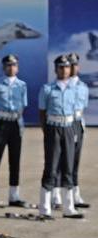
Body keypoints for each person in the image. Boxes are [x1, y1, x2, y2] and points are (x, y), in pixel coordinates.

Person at [37, 55, 83, 219]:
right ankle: (45, 208)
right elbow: (42, 113)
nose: (64, 70)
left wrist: (73, 132)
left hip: (69, 127)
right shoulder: (48, 89)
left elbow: (77, 112)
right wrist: (47, 131)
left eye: (67, 67)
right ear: (56, 69)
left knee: (68, 166)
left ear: (71, 69)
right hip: (53, 128)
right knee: (51, 167)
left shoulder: (75, 90)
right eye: (61, 67)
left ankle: (69, 208)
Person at [0, 54, 28, 207]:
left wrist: (15, 117)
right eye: (8, 65)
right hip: (0, 122)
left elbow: (23, 105)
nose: (11, 68)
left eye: (14, 65)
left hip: (16, 122)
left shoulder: (22, 85)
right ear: (3, 67)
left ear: (17, 67)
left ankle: (14, 196)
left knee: (15, 159)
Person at [67, 53, 90, 208]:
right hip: (65, 123)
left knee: (75, 162)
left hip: (78, 124)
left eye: (75, 64)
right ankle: (56, 196)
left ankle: (75, 194)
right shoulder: (62, 86)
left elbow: (83, 108)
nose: (73, 67)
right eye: (70, 65)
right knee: (61, 161)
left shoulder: (83, 87)